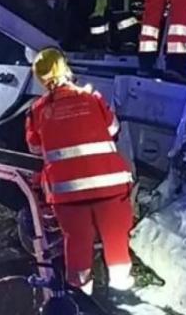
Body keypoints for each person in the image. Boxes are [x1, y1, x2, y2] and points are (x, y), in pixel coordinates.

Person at [25, 48, 135, 295]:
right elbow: (113, 128)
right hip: (109, 184)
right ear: (65, 68)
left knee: (76, 239)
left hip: (67, 191)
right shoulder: (91, 97)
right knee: (116, 235)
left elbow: (34, 147)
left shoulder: (37, 110)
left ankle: (81, 286)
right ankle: (120, 282)